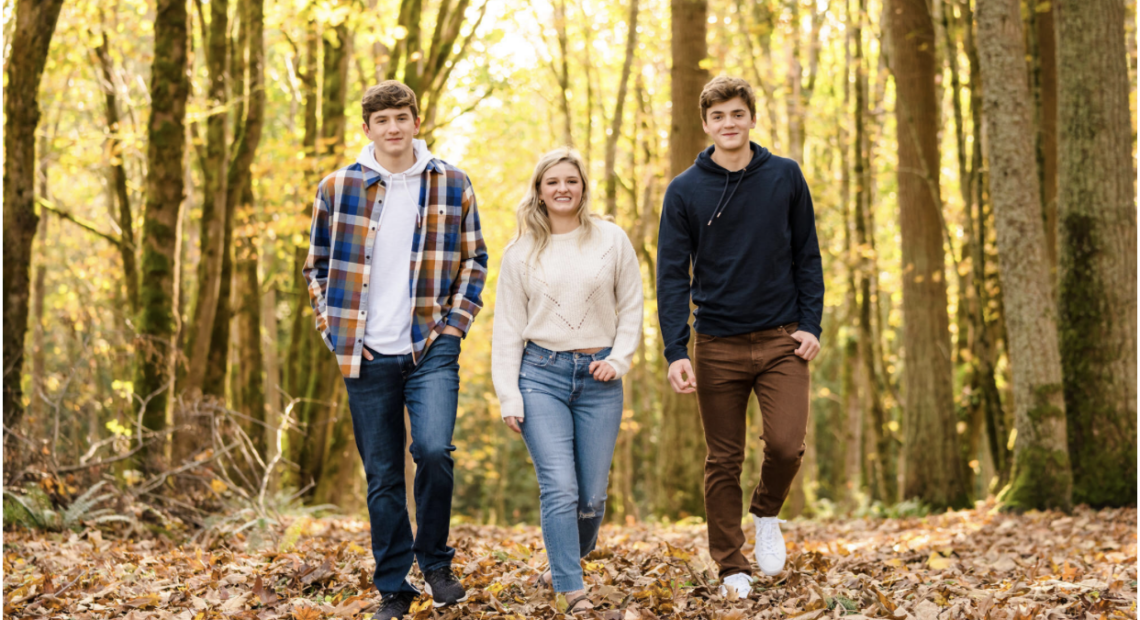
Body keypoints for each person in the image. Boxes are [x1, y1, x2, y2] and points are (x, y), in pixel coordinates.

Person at [303, 80, 488, 620]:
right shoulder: (336, 188)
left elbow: (474, 259)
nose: (392, 128)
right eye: (381, 121)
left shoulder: (452, 183)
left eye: (401, 118)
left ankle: (435, 563)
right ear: (367, 129)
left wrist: (455, 324)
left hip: (430, 344)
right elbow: (315, 265)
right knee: (382, 473)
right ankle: (393, 587)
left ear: (415, 122)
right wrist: (331, 328)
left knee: (432, 451)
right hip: (362, 350)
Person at [656, 76, 824, 599]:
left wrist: (811, 323)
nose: (729, 124)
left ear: (752, 118)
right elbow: (670, 274)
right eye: (718, 116)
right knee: (722, 458)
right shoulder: (684, 189)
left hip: (781, 339)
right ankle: (731, 564)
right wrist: (676, 349)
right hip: (717, 344)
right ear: (706, 124)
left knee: (786, 445)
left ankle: (768, 513)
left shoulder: (785, 176)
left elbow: (807, 256)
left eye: (737, 114)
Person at [492, 148, 644, 615]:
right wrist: (508, 395)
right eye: (552, 181)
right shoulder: (520, 253)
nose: (563, 189)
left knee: (592, 496)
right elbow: (507, 328)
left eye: (571, 181)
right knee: (560, 486)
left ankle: (563, 561)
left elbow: (633, 305)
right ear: (539, 190)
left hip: (599, 378)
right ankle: (571, 588)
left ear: (582, 188)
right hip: (540, 376)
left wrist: (618, 360)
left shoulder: (611, 239)